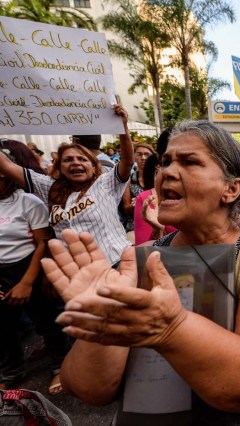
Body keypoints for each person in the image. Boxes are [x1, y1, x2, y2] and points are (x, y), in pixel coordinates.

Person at [41, 120, 240, 424]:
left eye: (189, 161)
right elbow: (89, 389)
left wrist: (171, 329)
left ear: (231, 189)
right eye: (165, 162)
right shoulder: (138, 259)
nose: (167, 172)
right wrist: (102, 323)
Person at [0, 105, 133, 267]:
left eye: (82, 159)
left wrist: (123, 128)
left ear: (93, 166)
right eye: (68, 160)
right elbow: (6, 166)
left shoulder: (105, 183)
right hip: (76, 273)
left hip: (115, 263)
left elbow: (127, 162)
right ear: (59, 167)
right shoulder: (48, 187)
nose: (75, 162)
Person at [0, 140, 70, 394]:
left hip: (29, 267)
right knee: (4, 326)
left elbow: (43, 242)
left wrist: (27, 282)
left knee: (47, 323)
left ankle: (60, 366)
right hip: (1, 272)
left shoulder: (28, 202)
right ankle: (12, 370)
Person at [133, 128, 176, 245]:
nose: (174, 171)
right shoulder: (147, 200)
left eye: (190, 162)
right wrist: (157, 231)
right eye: (167, 163)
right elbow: (144, 253)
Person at [121, 143, 156, 235]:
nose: (143, 158)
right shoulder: (129, 179)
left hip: (157, 221)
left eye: (147, 154)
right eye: (139, 154)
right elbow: (126, 208)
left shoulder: (160, 177)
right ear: (134, 157)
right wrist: (136, 204)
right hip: (135, 225)